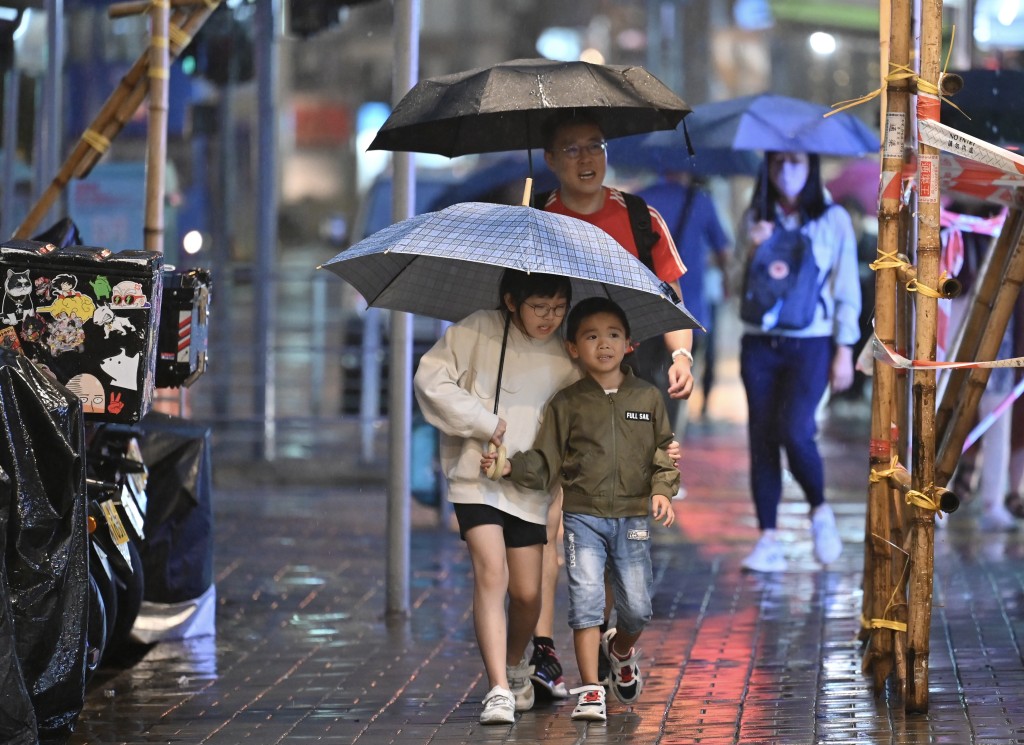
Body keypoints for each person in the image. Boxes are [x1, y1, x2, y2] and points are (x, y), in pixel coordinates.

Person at [529, 112, 694, 693]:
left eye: (594, 145)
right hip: (555, 378)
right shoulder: (537, 223)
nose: (585, 157)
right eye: (569, 149)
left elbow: (673, 298)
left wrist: (681, 357)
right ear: (550, 160)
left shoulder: (640, 218)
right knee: (557, 513)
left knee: (620, 519)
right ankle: (546, 648)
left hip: (632, 375)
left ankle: (617, 640)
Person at [481, 297, 678, 722]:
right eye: (590, 336)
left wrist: (663, 489)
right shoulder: (567, 403)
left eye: (612, 335)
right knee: (587, 602)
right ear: (572, 347)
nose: (602, 344)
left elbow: (663, 451)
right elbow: (546, 460)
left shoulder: (648, 397)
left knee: (637, 608)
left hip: (633, 518)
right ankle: (591, 688)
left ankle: (620, 650)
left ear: (629, 343)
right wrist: (509, 465)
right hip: (582, 518)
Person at [413, 270, 579, 725]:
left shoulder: (567, 357)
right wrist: (482, 422)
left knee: (527, 595)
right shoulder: (476, 329)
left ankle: (513, 662)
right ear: (512, 300)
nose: (550, 318)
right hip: (475, 480)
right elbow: (431, 380)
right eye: (539, 307)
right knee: (491, 573)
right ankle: (499, 688)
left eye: (559, 308)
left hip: (529, 489)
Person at [738, 151, 861, 572]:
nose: (786, 172)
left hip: (811, 343)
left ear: (811, 167)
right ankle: (768, 536)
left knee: (796, 430)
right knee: (762, 438)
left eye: (796, 163)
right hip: (759, 343)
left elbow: (846, 288)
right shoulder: (756, 215)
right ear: (766, 168)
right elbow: (737, 278)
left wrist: (845, 349)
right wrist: (753, 247)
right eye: (777, 163)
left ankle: (820, 509)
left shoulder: (833, 219)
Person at [637, 171, 731, 423]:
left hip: (644, 309)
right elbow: (724, 252)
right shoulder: (701, 200)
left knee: (642, 382)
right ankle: (667, 444)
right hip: (689, 309)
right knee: (677, 382)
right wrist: (728, 281)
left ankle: (644, 436)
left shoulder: (640, 199)